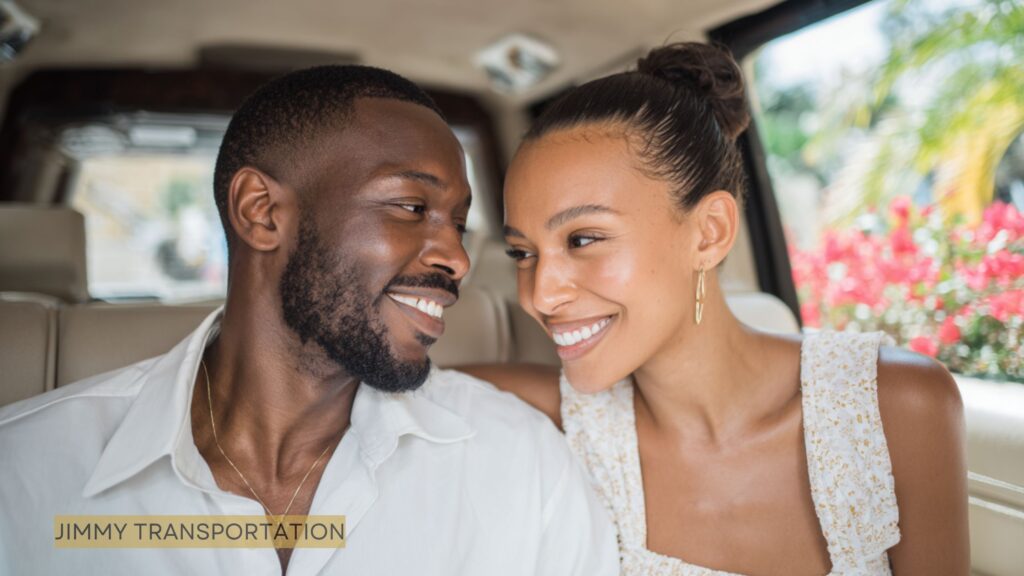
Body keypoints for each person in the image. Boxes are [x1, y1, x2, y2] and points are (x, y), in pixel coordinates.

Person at [0, 65, 618, 576]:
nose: (456, 258)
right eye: (411, 206)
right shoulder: (27, 474)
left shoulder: (522, 467)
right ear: (262, 212)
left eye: (459, 223)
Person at [462, 43, 969, 575]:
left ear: (710, 233)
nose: (540, 295)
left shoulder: (897, 407)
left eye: (584, 239)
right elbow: (393, 385)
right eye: (522, 253)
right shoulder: (552, 420)